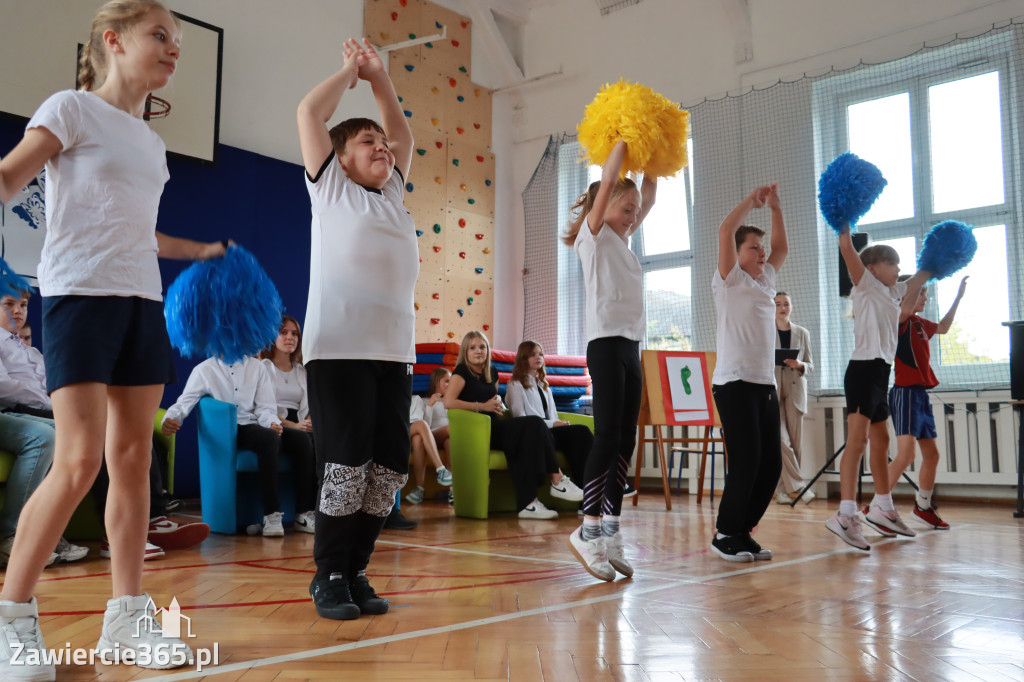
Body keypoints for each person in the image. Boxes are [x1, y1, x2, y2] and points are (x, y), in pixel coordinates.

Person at [0, 2, 228, 675]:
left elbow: (141, 233)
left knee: (133, 460)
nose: (174, 48)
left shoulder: (152, 145)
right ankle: (13, 618)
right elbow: (13, 176)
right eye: (160, 34)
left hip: (141, 304)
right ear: (113, 39)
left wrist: (200, 251)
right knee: (77, 463)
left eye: (178, 40)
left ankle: (126, 620)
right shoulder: (69, 108)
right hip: (78, 299)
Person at [297, 37, 418, 621]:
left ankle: (356, 567)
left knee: (388, 468)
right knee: (344, 466)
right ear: (339, 157)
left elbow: (404, 135)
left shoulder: (393, 192)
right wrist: (349, 70)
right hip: (338, 349)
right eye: (366, 142)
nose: (382, 148)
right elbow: (308, 114)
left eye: (383, 143)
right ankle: (329, 575)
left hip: (393, 354)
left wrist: (381, 80)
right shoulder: (331, 189)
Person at [563, 140, 656, 581]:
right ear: (606, 205)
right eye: (627, 208)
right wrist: (621, 144)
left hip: (630, 347)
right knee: (605, 438)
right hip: (604, 344)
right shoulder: (594, 237)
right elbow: (606, 196)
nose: (635, 215)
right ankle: (588, 527)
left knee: (625, 441)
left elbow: (650, 195)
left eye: (636, 210)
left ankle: (613, 528)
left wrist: (655, 159)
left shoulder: (623, 242)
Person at [826, 228, 929, 551]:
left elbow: (918, 279)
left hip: (880, 373)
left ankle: (882, 507)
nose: (899, 269)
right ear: (873, 268)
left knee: (881, 440)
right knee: (856, 443)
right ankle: (844, 515)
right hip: (862, 371)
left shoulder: (891, 293)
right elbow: (846, 248)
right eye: (893, 263)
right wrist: (843, 225)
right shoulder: (866, 285)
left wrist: (938, 259)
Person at [708, 184, 787, 562]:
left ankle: (742, 529)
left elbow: (782, 248)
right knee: (747, 461)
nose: (762, 252)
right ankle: (725, 533)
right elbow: (725, 230)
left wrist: (775, 209)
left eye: (761, 247)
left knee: (771, 465)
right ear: (737, 254)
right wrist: (751, 202)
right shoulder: (729, 280)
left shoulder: (765, 281)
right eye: (753, 247)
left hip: (764, 385)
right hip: (734, 383)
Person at [161, 354, 317, 537]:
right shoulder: (204, 369)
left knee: (301, 439)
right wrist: (171, 418)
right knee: (269, 439)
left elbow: (265, 408)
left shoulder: (257, 367)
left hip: (256, 424)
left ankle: (302, 514)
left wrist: (272, 422)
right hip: (228, 430)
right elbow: (186, 401)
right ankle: (271, 514)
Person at [445, 331, 583, 520]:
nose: (479, 351)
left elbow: (492, 401)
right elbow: (449, 402)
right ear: (465, 352)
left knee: (531, 431)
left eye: (483, 347)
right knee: (533, 423)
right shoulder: (461, 372)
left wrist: (496, 404)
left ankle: (529, 504)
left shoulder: (491, 372)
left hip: (494, 424)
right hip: (476, 431)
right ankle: (556, 479)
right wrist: (481, 406)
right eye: (473, 347)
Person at [881, 276, 968, 530]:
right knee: (906, 454)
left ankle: (923, 506)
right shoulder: (898, 320)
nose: (926, 298)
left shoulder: (919, 323)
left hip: (920, 395)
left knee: (932, 454)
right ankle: (878, 503)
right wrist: (921, 276)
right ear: (907, 297)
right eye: (922, 294)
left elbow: (943, 328)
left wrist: (958, 298)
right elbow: (904, 306)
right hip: (904, 393)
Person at [505, 340, 591, 486]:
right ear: (523, 358)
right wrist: (554, 423)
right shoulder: (515, 385)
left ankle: (589, 489)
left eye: (540, 354)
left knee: (582, 432)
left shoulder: (545, 386)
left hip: (550, 431)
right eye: (532, 354)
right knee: (578, 434)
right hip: (535, 435)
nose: (538, 357)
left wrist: (560, 424)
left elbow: (553, 416)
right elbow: (521, 420)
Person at [773, 292, 815, 505]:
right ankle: (799, 487)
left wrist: (800, 365)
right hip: (772, 391)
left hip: (796, 390)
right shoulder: (764, 331)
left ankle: (784, 492)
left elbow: (810, 365)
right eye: (778, 304)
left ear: (792, 306)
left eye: (786, 304)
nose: (782, 308)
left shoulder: (802, 332)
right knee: (781, 441)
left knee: (795, 445)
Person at [405, 368, 453, 505]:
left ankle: (450, 488)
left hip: (439, 437)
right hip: (430, 433)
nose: (450, 384)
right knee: (420, 435)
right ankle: (439, 472)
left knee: (448, 439)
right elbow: (426, 423)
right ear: (436, 382)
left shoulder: (451, 401)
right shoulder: (423, 400)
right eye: (447, 381)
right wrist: (431, 404)